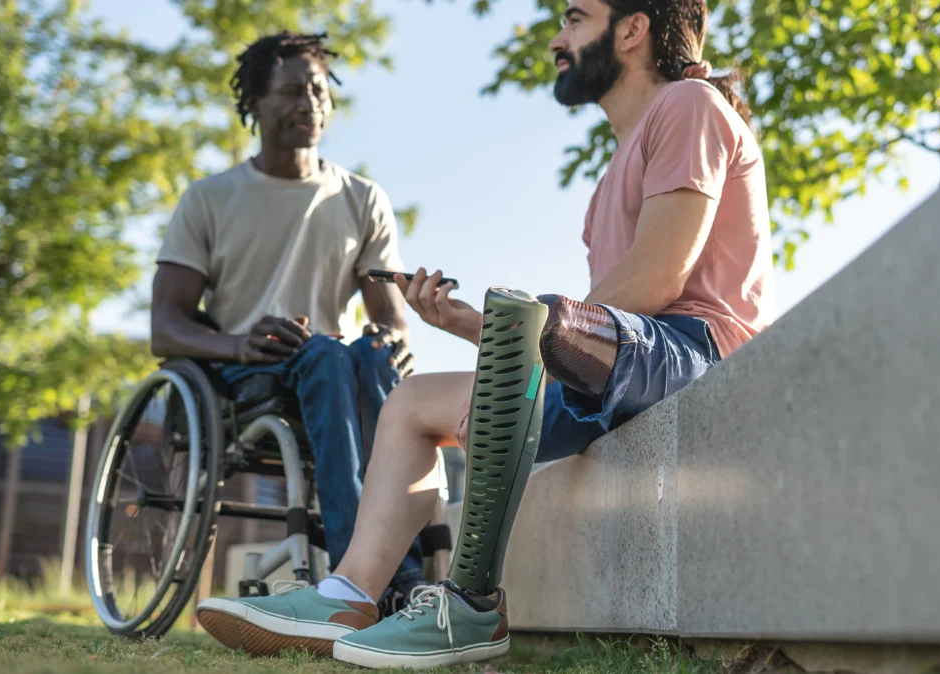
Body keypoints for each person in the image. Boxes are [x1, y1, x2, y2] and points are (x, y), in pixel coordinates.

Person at [195, 0, 775, 668]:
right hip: (625, 359)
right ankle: (346, 595)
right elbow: (597, 330)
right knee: (411, 404)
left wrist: (525, 335)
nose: (558, 40)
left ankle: (468, 604)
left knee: (542, 315)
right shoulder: (612, 177)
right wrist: (482, 331)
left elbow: (657, 280)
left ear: (632, 28)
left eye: (575, 19)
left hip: (696, 354)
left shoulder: (690, 105)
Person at [150, 31, 429, 622]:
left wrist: (392, 342)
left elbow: (392, 322)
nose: (310, 104)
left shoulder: (362, 199)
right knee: (330, 356)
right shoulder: (209, 199)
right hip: (244, 370)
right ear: (253, 102)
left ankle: (391, 576)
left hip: (338, 370)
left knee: (370, 359)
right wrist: (236, 342)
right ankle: (380, 580)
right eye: (293, 91)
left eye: (320, 92)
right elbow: (166, 325)